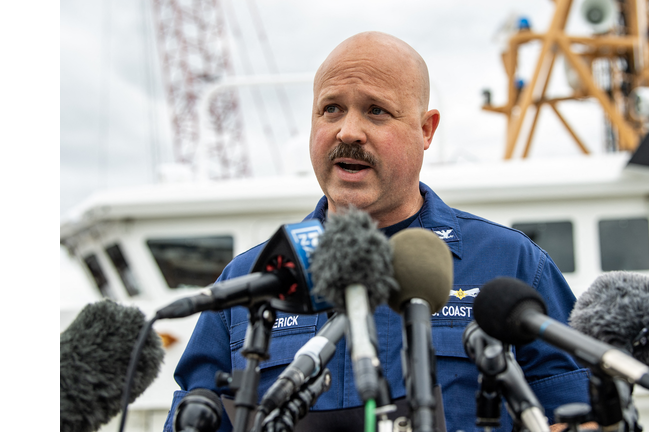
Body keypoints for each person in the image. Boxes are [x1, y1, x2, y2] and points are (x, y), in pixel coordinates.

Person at [163, 31, 590, 432]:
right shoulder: (246, 279)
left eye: (376, 111)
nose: (348, 131)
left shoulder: (512, 265)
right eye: (331, 109)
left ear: (426, 130)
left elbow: (579, 412)